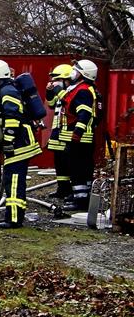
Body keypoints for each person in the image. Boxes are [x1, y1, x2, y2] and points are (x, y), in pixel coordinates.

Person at [0, 59, 41, 229]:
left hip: (19, 143)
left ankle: (14, 218)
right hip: (14, 143)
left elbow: (13, 118)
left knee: (13, 180)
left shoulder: (8, 91)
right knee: (10, 179)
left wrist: (8, 140)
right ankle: (12, 214)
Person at [60, 59, 100, 212]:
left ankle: (81, 200)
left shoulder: (82, 90)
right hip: (80, 138)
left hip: (80, 138)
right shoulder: (78, 88)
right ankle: (81, 197)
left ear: (83, 74)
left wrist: (77, 133)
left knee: (78, 169)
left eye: (75, 70)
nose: (72, 73)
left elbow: (84, 114)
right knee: (81, 168)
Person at [45, 64, 73, 198]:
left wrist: (58, 90)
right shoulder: (60, 93)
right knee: (59, 161)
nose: (54, 82)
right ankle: (62, 188)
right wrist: (50, 92)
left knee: (69, 162)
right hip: (57, 132)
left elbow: (68, 103)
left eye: (57, 80)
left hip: (68, 133)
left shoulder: (72, 92)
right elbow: (51, 104)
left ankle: (72, 190)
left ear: (66, 80)